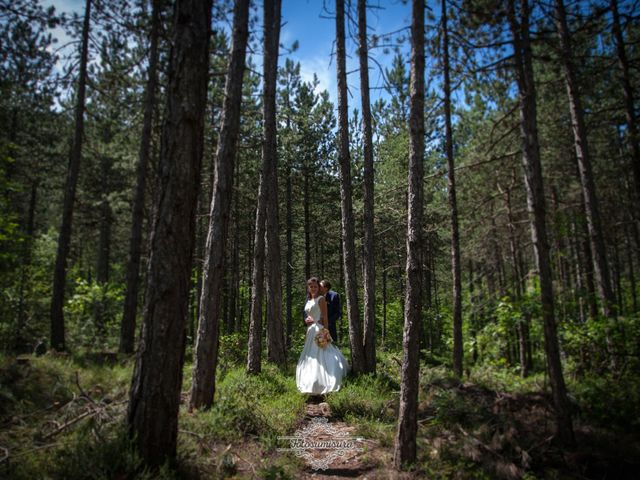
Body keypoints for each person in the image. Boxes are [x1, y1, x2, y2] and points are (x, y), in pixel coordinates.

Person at [296, 277, 349, 395]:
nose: (313, 288)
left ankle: (323, 382)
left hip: (319, 330)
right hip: (310, 331)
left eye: (315, 286)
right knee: (310, 356)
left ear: (318, 288)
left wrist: (325, 332)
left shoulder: (321, 299)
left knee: (321, 354)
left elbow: (325, 317)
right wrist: (306, 320)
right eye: (311, 287)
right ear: (308, 288)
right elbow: (306, 314)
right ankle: (310, 381)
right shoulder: (309, 300)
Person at [319, 279, 340, 344]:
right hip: (317, 325)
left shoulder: (334, 296)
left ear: (326, 288)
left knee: (332, 346)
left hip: (330, 327)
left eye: (320, 286)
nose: (318, 287)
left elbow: (338, 312)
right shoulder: (315, 295)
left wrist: (328, 322)